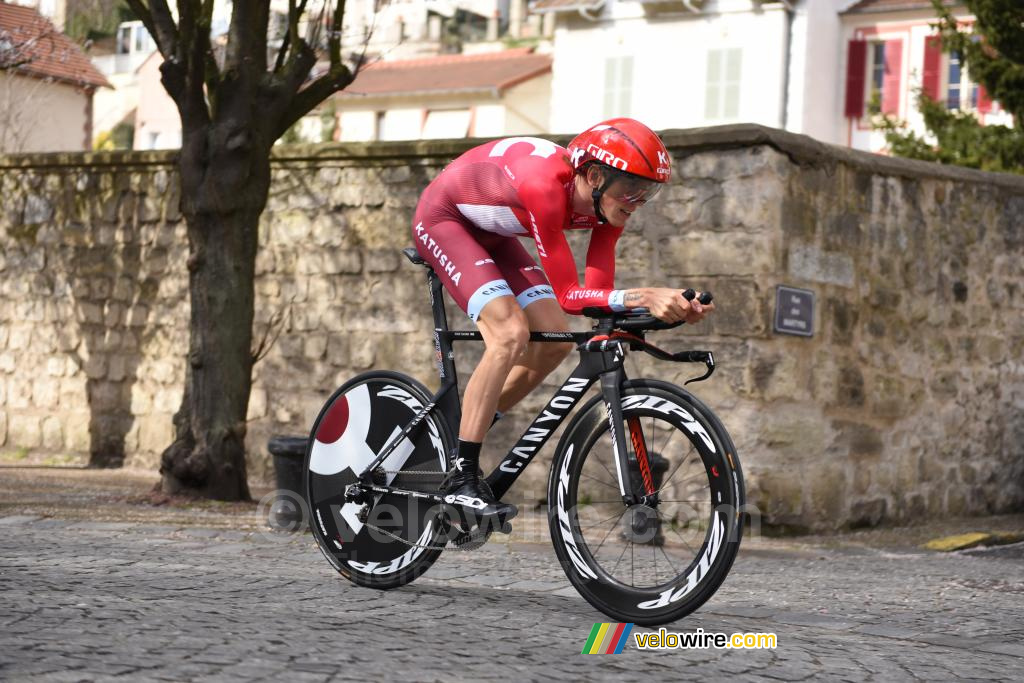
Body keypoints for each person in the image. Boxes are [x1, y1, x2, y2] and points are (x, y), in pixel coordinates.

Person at [410, 118, 714, 527]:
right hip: (444, 219)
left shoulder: (610, 208)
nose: (638, 201)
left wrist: (670, 308)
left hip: (493, 234)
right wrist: (642, 295)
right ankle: (461, 478)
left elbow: (598, 300)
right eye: (631, 187)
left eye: (648, 191)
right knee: (509, 334)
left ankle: (456, 434)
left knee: (555, 343)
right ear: (595, 176)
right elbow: (571, 295)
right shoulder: (545, 187)